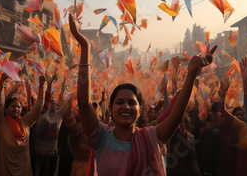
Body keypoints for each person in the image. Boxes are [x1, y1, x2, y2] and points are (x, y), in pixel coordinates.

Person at [68, 13, 217, 175]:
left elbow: (174, 119)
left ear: (140, 109)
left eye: (132, 102)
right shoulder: (101, 138)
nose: (126, 106)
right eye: (120, 102)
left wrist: (191, 74)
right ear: (110, 109)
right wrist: (85, 47)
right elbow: (83, 104)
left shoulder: (150, 137)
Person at [0, 73, 45, 176]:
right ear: (6, 109)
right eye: (13, 106)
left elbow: (38, 107)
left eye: (18, 107)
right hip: (5, 170)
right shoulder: (1, 122)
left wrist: (42, 87)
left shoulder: (25, 121)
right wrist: (1, 83)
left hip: (24, 170)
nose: (16, 109)